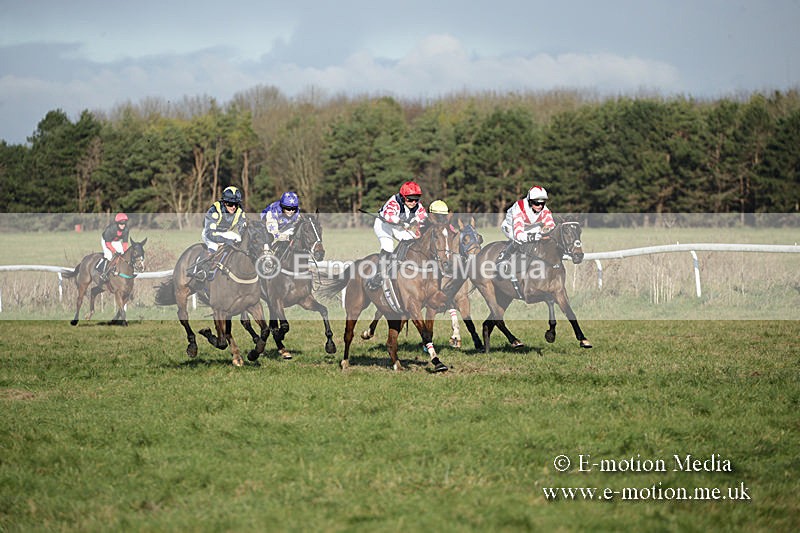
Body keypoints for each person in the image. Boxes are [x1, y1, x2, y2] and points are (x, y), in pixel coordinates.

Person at [366, 181, 428, 290]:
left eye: (416, 198)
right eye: (410, 199)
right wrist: (401, 221)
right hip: (383, 225)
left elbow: (424, 216)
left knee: (410, 240)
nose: (413, 202)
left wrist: (417, 224)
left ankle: (399, 264)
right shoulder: (394, 202)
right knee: (388, 246)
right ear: (403, 197)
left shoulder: (417, 205)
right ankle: (378, 276)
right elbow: (388, 215)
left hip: (398, 226)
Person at [191, 186, 247, 281]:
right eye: (230, 204)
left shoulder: (240, 211)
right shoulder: (215, 210)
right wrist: (225, 241)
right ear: (224, 202)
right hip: (210, 233)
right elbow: (210, 233)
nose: (233, 207)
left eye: (236, 204)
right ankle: (201, 271)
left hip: (225, 232)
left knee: (240, 240)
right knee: (214, 246)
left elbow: (243, 230)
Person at [498, 185, 556, 262]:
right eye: (536, 203)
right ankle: (504, 259)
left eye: (542, 203)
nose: (540, 206)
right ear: (530, 201)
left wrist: (545, 230)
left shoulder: (544, 209)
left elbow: (551, 225)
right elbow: (518, 235)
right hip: (511, 227)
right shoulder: (519, 208)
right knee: (519, 241)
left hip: (530, 227)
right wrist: (533, 237)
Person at [99, 212, 130, 281]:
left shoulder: (126, 230)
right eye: (121, 223)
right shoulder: (109, 230)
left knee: (122, 255)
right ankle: (104, 273)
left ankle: (120, 271)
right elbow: (108, 244)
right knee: (109, 256)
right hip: (106, 241)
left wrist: (124, 252)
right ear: (117, 223)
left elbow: (125, 243)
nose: (123, 225)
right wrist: (114, 251)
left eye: (124, 223)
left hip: (116, 241)